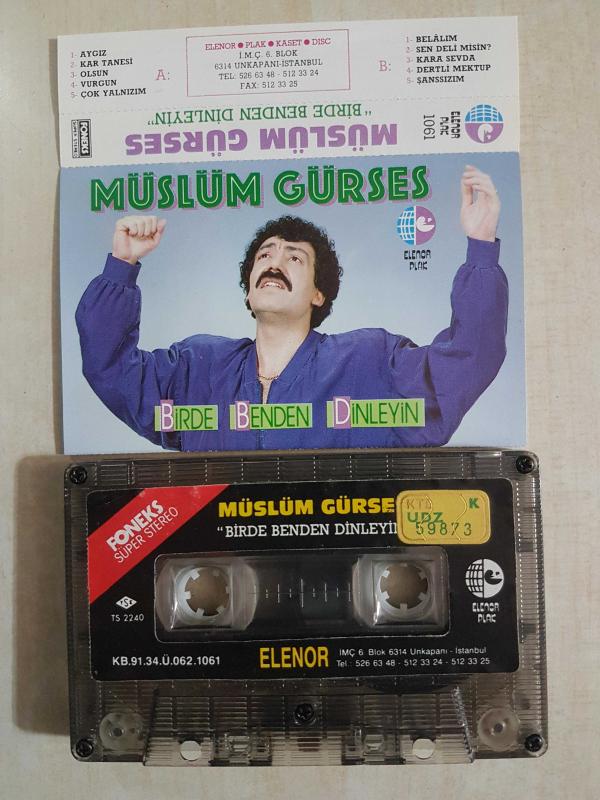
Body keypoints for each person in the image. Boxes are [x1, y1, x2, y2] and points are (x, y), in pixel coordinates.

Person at [76, 166, 508, 451]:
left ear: (318, 294)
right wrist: (122, 264)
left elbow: (467, 360)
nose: (274, 263)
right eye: (264, 255)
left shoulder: (370, 362)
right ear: (249, 291)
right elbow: (110, 368)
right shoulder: (197, 368)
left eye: (294, 258)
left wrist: (482, 244)